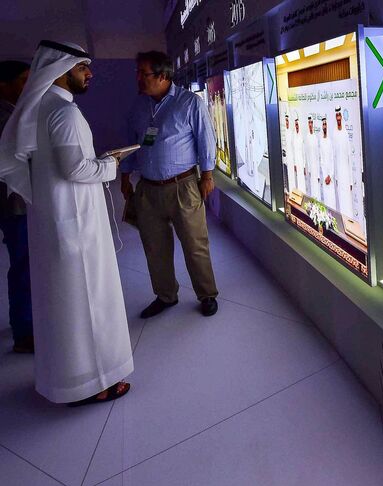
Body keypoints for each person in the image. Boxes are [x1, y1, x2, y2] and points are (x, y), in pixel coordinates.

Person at [0, 40, 132, 405]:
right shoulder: (64, 113)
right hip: (76, 223)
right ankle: (94, 382)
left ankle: (68, 379)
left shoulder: (41, 109)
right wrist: (111, 165)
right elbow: (75, 168)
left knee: (62, 301)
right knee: (87, 299)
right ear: (60, 70)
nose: (89, 73)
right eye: (82, 67)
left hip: (55, 218)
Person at [121, 51, 219, 318]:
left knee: (195, 244)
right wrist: (125, 176)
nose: (138, 78)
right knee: (155, 247)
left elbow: (205, 140)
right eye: (138, 73)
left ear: (163, 76)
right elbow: (131, 143)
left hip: (183, 186)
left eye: (144, 73)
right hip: (148, 189)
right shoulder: (138, 106)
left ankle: (207, 293)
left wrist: (207, 175)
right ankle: (165, 295)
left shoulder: (189, 103)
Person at [0, 60, 33, 354]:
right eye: (23, 80)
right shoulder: (4, 118)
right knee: (23, 265)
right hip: (15, 205)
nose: (28, 85)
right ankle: (25, 333)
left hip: (21, 203)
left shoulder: (15, 113)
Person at [332, 107, 352, 216]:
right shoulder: (334, 134)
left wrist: (350, 181)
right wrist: (335, 176)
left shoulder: (345, 133)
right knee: (340, 199)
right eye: (337, 116)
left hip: (346, 174)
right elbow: (334, 156)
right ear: (336, 118)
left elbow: (349, 157)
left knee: (347, 201)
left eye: (340, 116)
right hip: (338, 174)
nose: (338, 118)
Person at [318, 116, 336, 209]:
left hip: (330, 177)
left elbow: (332, 159)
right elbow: (322, 161)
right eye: (323, 125)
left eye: (325, 124)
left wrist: (330, 175)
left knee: (332, 199)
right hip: (325, 177)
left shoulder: (330, 141)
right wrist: (325, 175)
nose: (324, 126)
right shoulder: (321, 141)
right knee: (326, 200)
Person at [303, 116, 320, 201]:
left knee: (316, 190)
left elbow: (317, 156)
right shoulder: (306, 137)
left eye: (311, 123)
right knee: (310, 190)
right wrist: (306, 168)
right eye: (309, 123)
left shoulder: (315, 138)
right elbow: (305, 153)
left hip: (315, 169)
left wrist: (317, 173)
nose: (310, 125)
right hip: (309, 168)